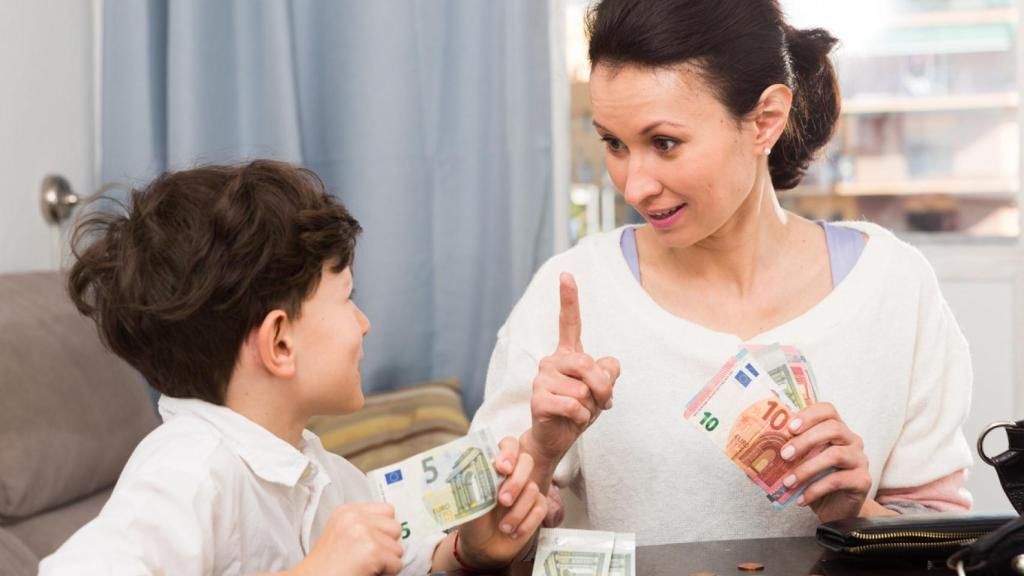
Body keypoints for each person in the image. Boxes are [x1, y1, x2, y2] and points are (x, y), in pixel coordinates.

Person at [471, 0, 974, 545]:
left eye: (664, 143)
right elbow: (470, 546)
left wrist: (856, 509)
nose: (634, 186)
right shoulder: (575, 290)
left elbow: (948, 541)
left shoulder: (893, 285)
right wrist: (540, 454)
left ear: (765, 121)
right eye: (614, 144)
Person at [39, 160, 546, 575]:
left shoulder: (323, 471)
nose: (365, 323)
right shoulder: (189, 468)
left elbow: (396, 557)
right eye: (348, 299)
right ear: (279, 343)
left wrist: (466, 551)